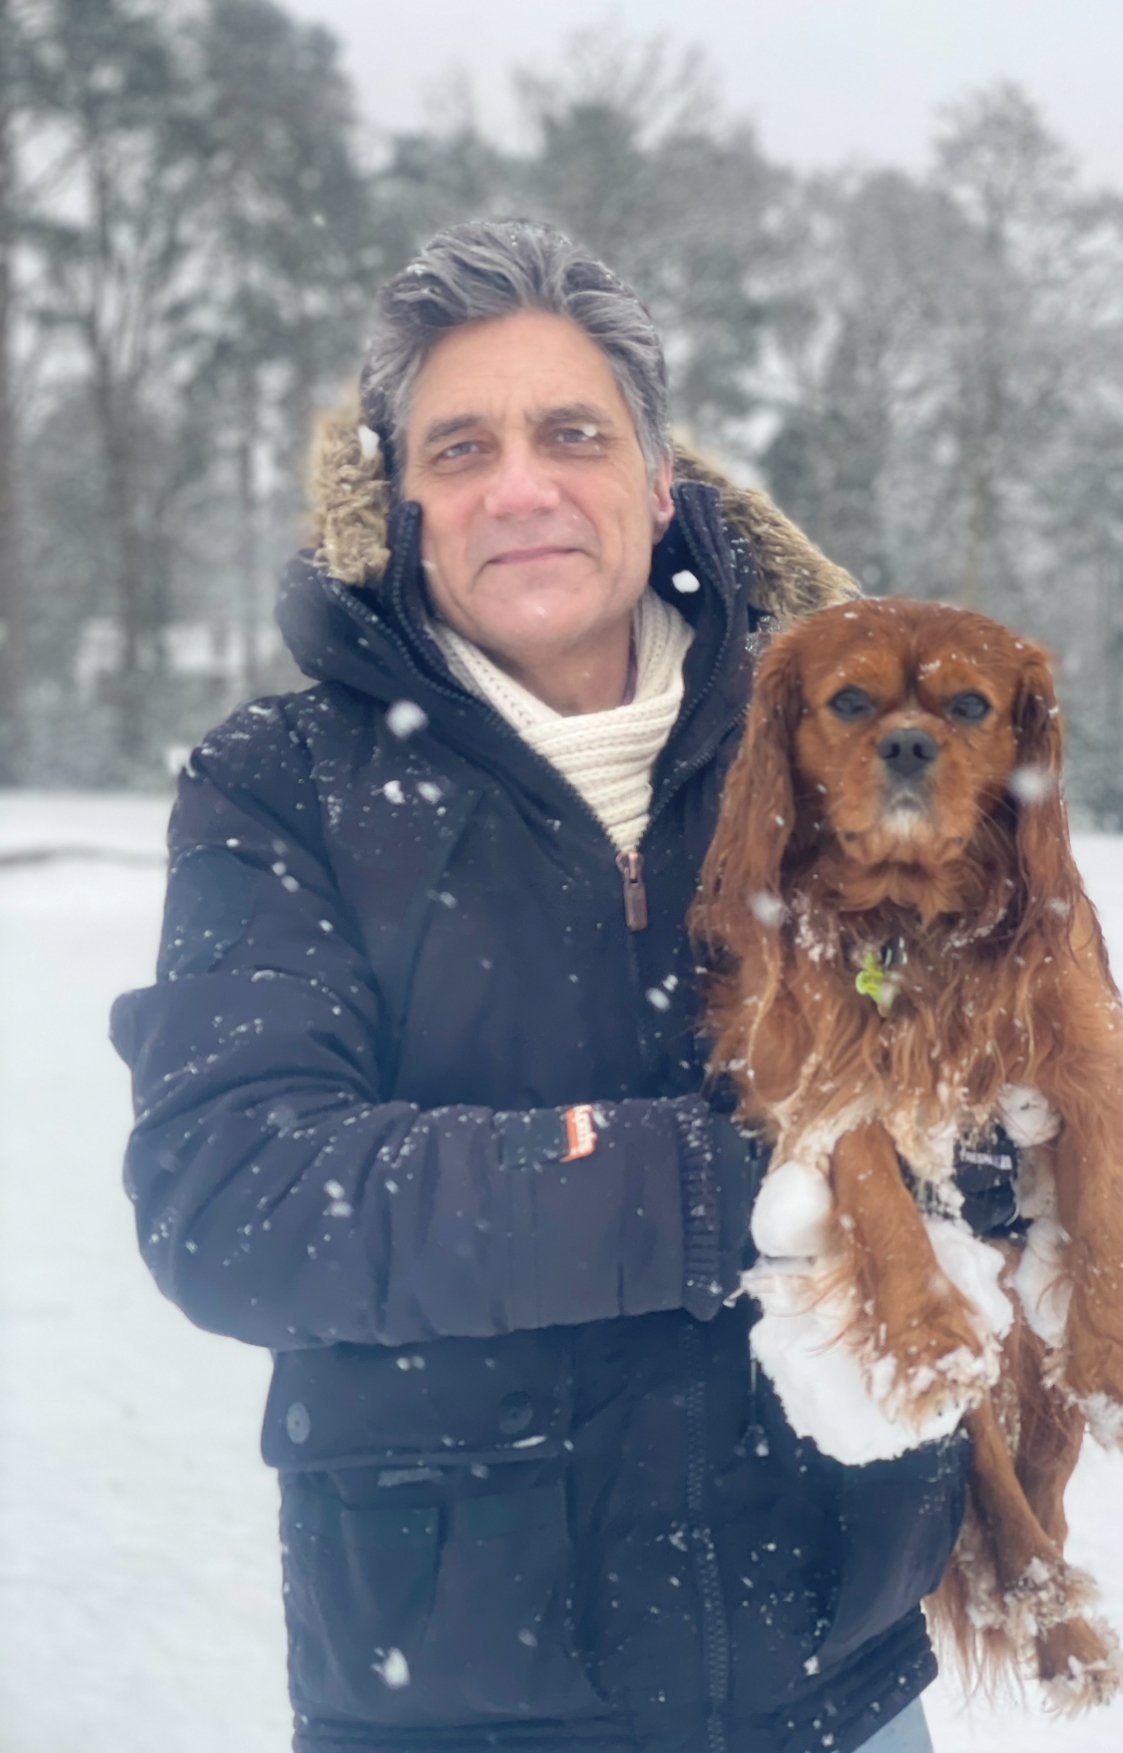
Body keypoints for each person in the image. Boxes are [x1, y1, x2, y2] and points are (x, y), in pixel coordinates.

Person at [112, 219, 1017, 1753]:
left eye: (572, 433)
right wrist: (726, 1185)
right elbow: (237, 1196)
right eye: (461, 447)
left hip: (839, 1681)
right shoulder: (283, 784)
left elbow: (1034, 1096)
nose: (519, 485)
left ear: (659, 481)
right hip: (458, 1698)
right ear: (402, 503)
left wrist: (948, 1158)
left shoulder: (841, 738)